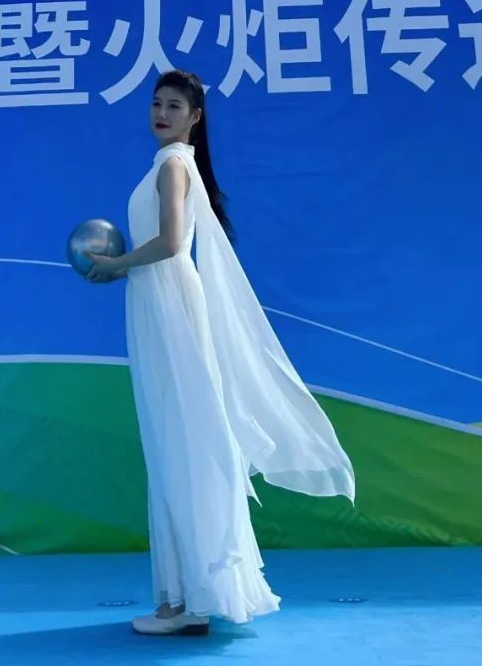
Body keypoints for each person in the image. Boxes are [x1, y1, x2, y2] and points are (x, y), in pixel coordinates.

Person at [84, 69, 356, 637]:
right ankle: (188, 596)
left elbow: (170, 243)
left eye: (174, 106)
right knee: (178, 441)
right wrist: (124, 269)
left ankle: (188, 600)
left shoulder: (173, 165)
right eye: (156, 103)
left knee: (182, 442)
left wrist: (117, 263)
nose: (161, 114)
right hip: (160, 302)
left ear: (195, 117)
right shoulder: (172, 164)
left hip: (169, 306)